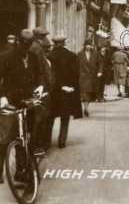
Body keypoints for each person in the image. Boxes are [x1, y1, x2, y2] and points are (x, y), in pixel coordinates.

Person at [0, 29, 44, 184]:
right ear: (18, 42)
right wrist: (2, 97)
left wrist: (40, 87)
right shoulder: (7, 56)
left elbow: (39, 75)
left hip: (28, 99)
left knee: (24, 136)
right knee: (6, 137)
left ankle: (21, 170)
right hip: (10, 101)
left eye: (28, 45)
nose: (26, 48)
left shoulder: (33, 56)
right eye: (23, 44)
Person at [47, 36, 83, 148]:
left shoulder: (49, 56)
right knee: (65, 116)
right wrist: (71, 86)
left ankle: (47, 141)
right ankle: (62, 141)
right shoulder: (72, 55)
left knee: (51, 116)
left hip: (54, 90)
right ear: (63, 43)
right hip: (68, 90)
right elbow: (76, 73)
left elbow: (50, 74)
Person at [30, 27, 55, 152]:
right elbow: (40, 69)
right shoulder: (37, 48)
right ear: (42, 37)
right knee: (40, 116)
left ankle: (37, 142)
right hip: (40, 86)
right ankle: (37, 144)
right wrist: (45, 85)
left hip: (39, 85)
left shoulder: (35, 46)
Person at [78, 39, 103, 117]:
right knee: (84, 92)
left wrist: (100, 71)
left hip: (92, 76)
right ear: (85, 45)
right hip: (82, 76)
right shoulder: (79, 54)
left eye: (90, 45)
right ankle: (86, 108)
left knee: (89, 93)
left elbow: (100, 63)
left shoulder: (95, 53)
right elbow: (76, 64)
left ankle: (86, 107)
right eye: (87, 45)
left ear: (91, 46)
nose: (88, 47)